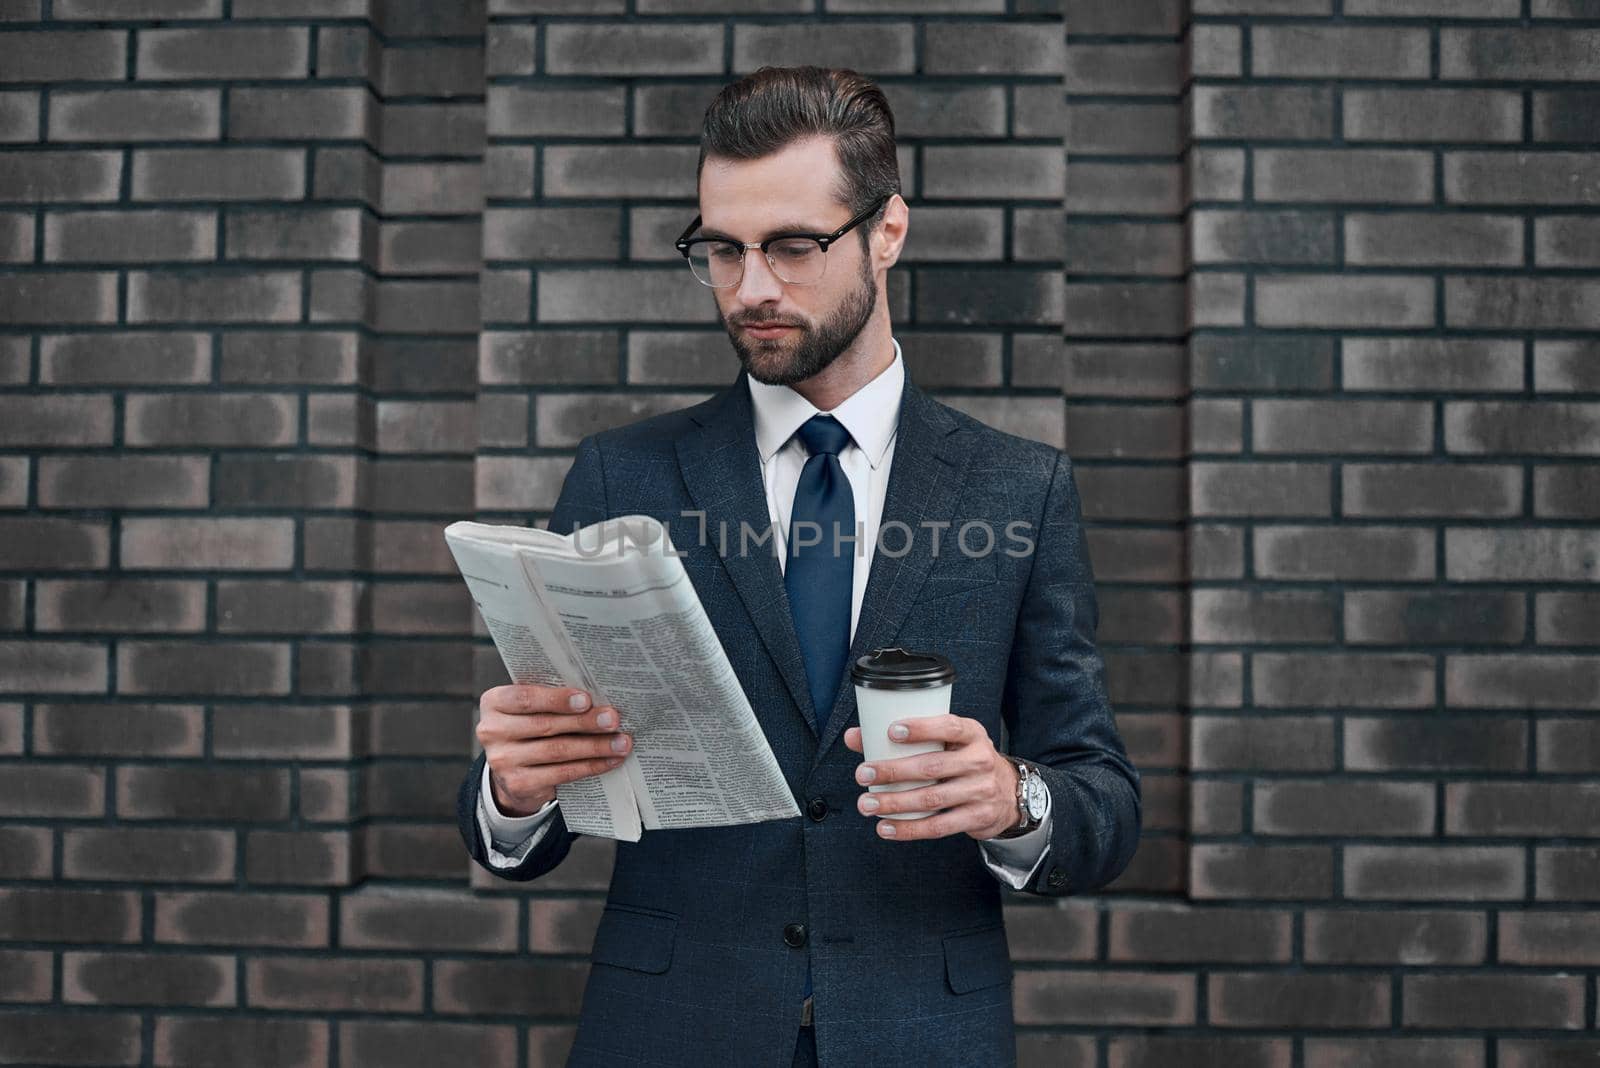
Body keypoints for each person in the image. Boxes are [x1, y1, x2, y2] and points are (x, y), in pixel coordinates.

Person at [456, 65, 1141, 1068]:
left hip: (924, 1033)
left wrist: (1012, 797)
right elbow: (521, 829)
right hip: (670, 1031)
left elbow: (1103, 800)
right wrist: (515, 794)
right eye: (721, 250)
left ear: (887, 231)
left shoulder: (1018, 491)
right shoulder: (621, 474)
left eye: (791, 246)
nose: (753, 288)